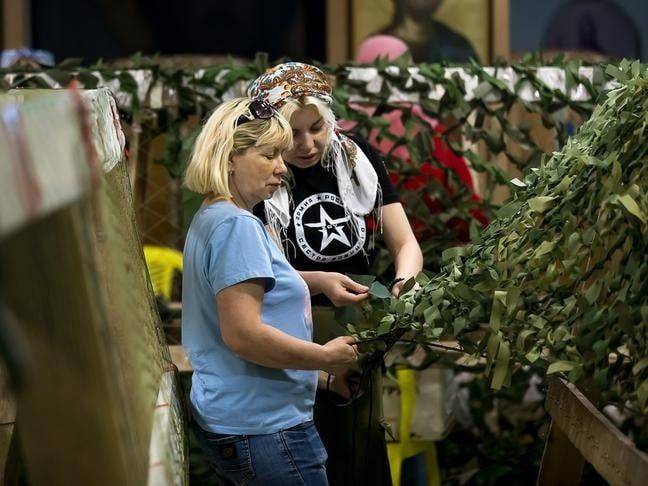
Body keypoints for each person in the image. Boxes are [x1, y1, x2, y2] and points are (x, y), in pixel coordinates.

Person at [249, 62, 423, 486]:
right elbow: (265, 271)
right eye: (293, 132)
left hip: (360, 323)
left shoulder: (356, 157)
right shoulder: (259, 173)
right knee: (310, 445)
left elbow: (405, 244)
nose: (306, 144)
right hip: (295, 324)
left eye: (316, 128)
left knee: (360, 441)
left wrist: (403, 284)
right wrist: (321, 281)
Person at [182, 97, 360, 485]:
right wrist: (324, 358)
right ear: (229, 157)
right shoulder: (237, 227)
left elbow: (243, 297)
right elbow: (244, 337)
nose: (282, 167)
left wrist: (316, 281)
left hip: (239, 419)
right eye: (268, 155)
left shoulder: (214, 216)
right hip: (265, 430)